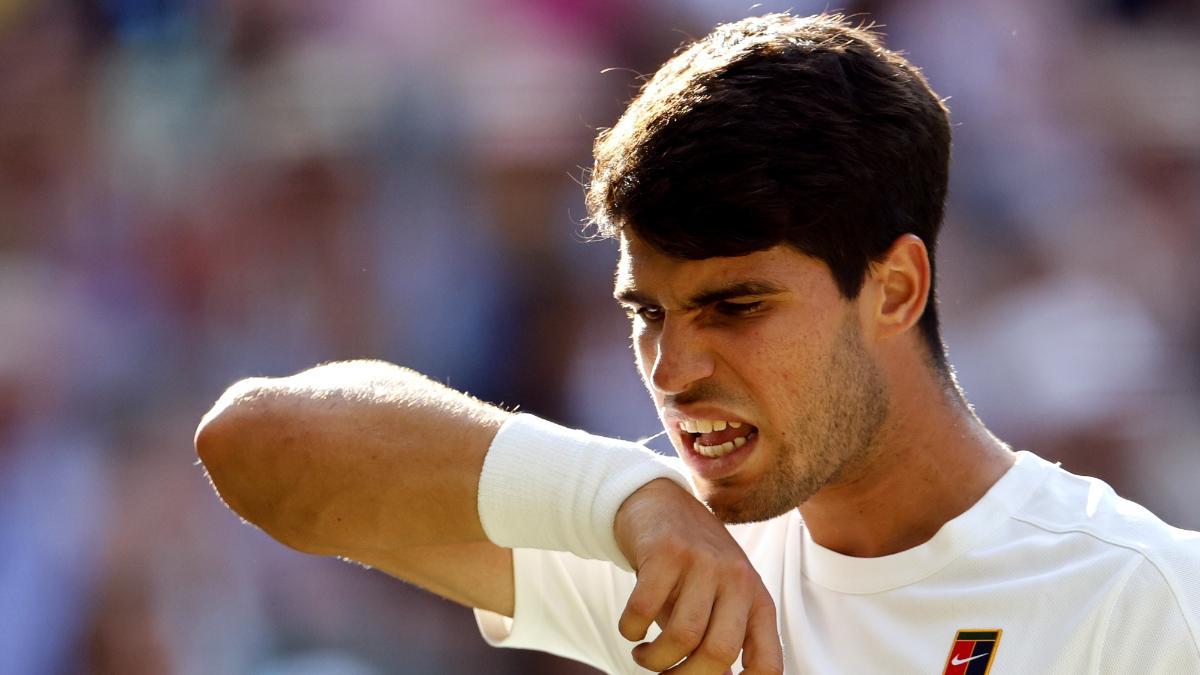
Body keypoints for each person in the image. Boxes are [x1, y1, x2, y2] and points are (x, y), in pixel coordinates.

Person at [196, 13, 1200, 675]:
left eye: (736, 306)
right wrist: (621, 499)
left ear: (894, 289)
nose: (674, 372)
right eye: (648, 315)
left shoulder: (1144, 598)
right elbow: (255, 444)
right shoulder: (675, 556)